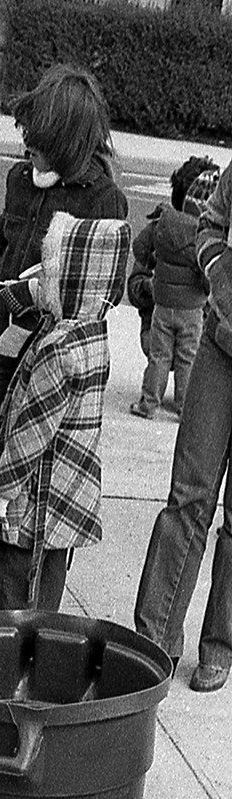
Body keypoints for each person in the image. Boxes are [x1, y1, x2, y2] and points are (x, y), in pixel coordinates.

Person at [0, 63, 127, 609]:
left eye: (40, 148)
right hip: (7, 342)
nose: (29, 158)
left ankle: (9, 592)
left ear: (68, 147)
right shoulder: (23, 179)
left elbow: (106, 288)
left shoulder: (103, 199)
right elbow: (4, 234)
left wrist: (45, 291)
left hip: (49, 350)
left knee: (17, 465)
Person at [0, 212, 131, 612]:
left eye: (53, 275)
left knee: (11, 594)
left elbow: (31, 433)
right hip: (66, 495)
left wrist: (0, 490)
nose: (43, 282)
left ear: (74, 282)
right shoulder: (91, 332)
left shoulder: (57, 349)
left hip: (30, 504)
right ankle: (36, 653)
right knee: (46, 590)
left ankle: (6, 656)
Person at [135, 157, 232, 693]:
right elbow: (212, 222)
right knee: (188, 495)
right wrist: (222, 283)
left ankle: (220, 646)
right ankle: (155, 640)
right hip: (220, 346)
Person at [128, 156, 217, 421]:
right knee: (189, 356)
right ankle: (185, 406)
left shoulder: (160, 226)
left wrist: (155, 286)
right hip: (192, 318)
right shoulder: (204, 238)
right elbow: (208, 283)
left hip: (162, 313)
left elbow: (137, 256)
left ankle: (149, 402)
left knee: (158, 355)